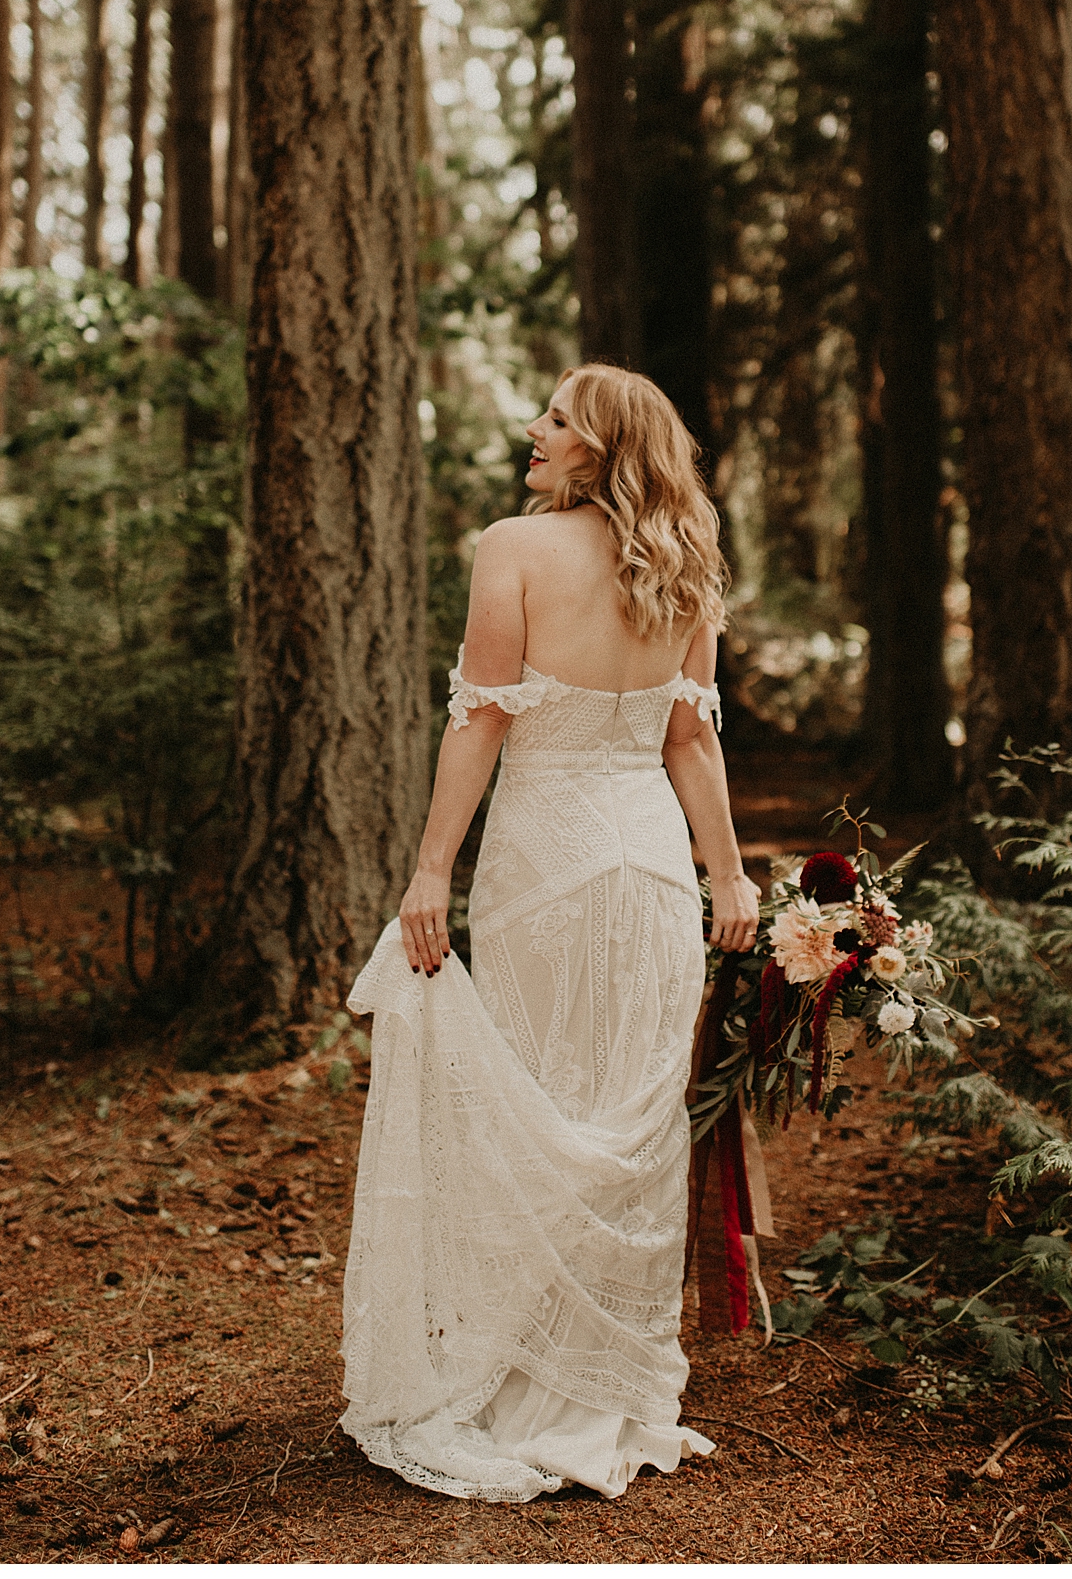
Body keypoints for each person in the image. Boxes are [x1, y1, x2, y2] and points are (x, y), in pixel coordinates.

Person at [340, 363, 761, 1502]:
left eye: (559, 418)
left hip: (544, 869)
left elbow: (479, 723)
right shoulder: (688, 560)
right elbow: (690, 742)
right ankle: (609, 1381)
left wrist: (431, 871)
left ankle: (531, 1369)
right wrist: (725, 874)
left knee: (543, 1101)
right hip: (652, 876)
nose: (536, 429)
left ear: (603, 448)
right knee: (627, 1122)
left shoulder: (510, 550)